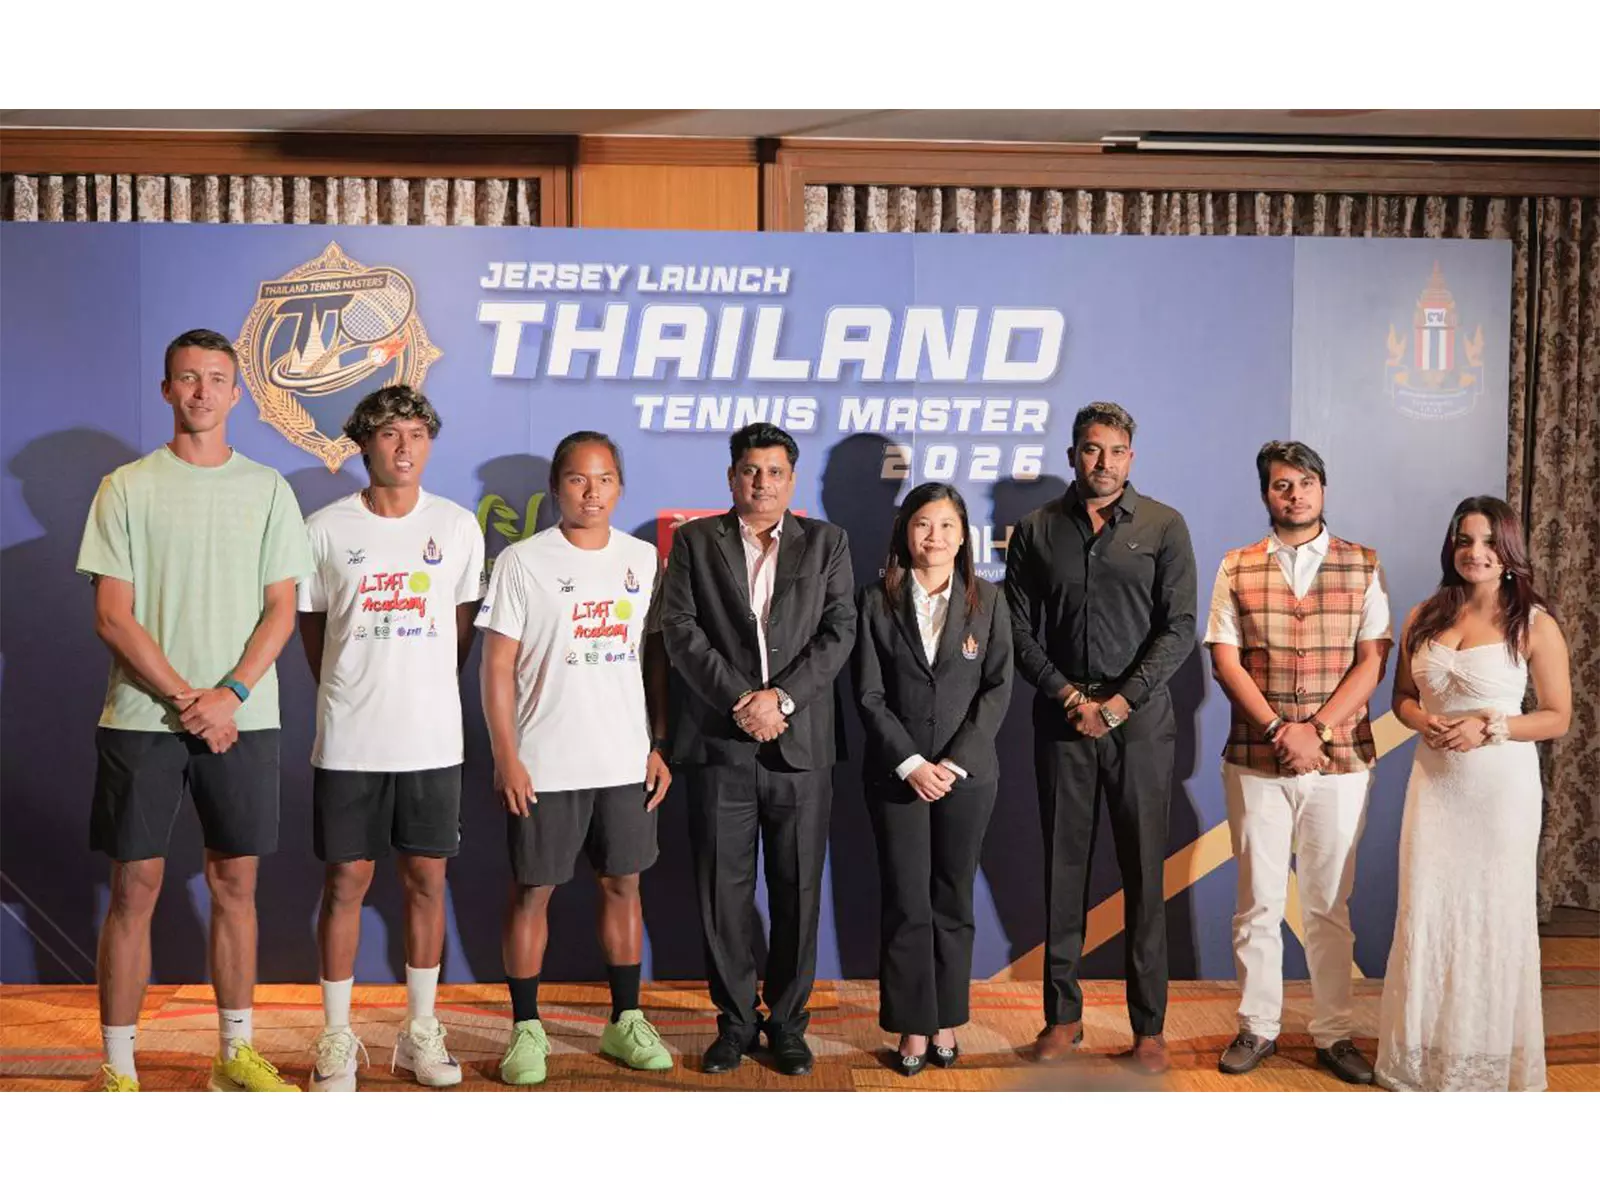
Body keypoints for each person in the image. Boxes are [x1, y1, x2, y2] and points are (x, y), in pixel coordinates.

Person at [76, 328, 313, 1092]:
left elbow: (282, 609)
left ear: (237, 393)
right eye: (187, 377)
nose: (202, 391)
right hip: (143, 720)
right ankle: (119, 1069)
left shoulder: (268, 489)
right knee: (134, 889)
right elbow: (112, 616)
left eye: (215, 377)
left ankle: (233, 1056)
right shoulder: (125, 487)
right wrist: (191, 700)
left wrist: (230, 694)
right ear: (167, 390)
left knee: (236, 887)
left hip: (243, 719)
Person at [296, 386, 486, 1091]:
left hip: (432, 740)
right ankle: (336, 1037)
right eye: (389, 433)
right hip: (350, 739)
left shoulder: (457, 527)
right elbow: (314, 633)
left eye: (417, 434)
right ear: (364, 443)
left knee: (427, 880)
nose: (404, 447)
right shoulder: (323, 529)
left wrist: (419, 684)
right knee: (346, 881)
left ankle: (420, 1031)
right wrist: (352, 686)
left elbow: (461, 632)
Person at [658, 422, 856, 1076]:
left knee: (799, 892)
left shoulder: (827, 542)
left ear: (791, 480)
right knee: (724, 895)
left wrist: (782, 700)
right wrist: (742, 700)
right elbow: (680, 630)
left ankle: (789, 1024)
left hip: (801, 748)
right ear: (731, 477)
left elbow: (839, 631)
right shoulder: (695, 542)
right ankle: (736, 1021)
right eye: (750, 470)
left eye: (774, 472)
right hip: (722, 744)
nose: (761, 482)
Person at [1004, 402, 1196, 1075]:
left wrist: (1119, 702)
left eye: (1115, 451)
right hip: (1062, 719)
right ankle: (1062, 1018)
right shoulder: (1036, 529)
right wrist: (1067, 695)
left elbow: (1179, 627)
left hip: (1137, 722)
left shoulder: (1163, 525)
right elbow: (1016, 629)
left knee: (1144, 873)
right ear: (1073, 456)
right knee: (1064, 872)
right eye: (1091, 449)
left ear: (1130, 458)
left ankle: (1149, 1028)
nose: (1103, 462)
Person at [477, 431, 674, 1086]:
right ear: (556, 487)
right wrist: (506, 756)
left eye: (605, 479)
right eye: (578, 480)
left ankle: (626, 1020)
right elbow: (496, 667)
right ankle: (526, 1028)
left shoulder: (642, 560)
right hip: (545, 763)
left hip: (624, 761)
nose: (592, 493)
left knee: (624, 886)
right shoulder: (522, 562)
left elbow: (654, 661)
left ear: (620, 486)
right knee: (532, 892)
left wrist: (659, 744)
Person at [1204, 441, 1391, 1084]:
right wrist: (1280, 729)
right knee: (1257, 901)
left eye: (1306, 483)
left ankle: (1334, 1032)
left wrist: (1318, 730)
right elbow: (1225, 660)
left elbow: (1372, 660)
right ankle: (1257, 1026)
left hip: (1342, 764)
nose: (1296, 494)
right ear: (1266, 494)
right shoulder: (1236, 565)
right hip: (1256, 760)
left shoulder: (1363, 563)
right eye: (1283, 485)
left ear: (1323, 489)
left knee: (1328, 906)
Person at [1376, 497, 1570, 1091]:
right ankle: (1424, 1055)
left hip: (1499, 793)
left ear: (1508, 550)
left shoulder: (1534, 623)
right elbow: (1402, 698)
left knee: (1491, 915)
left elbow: (1558, 716)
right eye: (1465, 540)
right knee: (1427, 910)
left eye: (1488, 541)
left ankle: (1482, 1060)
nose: (1475, 552)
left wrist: (1491, 728)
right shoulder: (1423, 615)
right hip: (1435, 786)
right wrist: (1422, 720)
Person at [853, 483, 1012, 1076]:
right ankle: (912, 1025)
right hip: (898, 776)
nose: (935, 537)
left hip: (966, 778)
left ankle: (946, 1018)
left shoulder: (989, 600)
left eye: (947, 525)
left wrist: (952, 763)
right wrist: (912, 763)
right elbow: (868, 695)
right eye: (923, 524)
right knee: (906, 902)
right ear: (906, 533)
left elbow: (997, 688)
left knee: (952, 898)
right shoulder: (875, 601)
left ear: (964, 536)